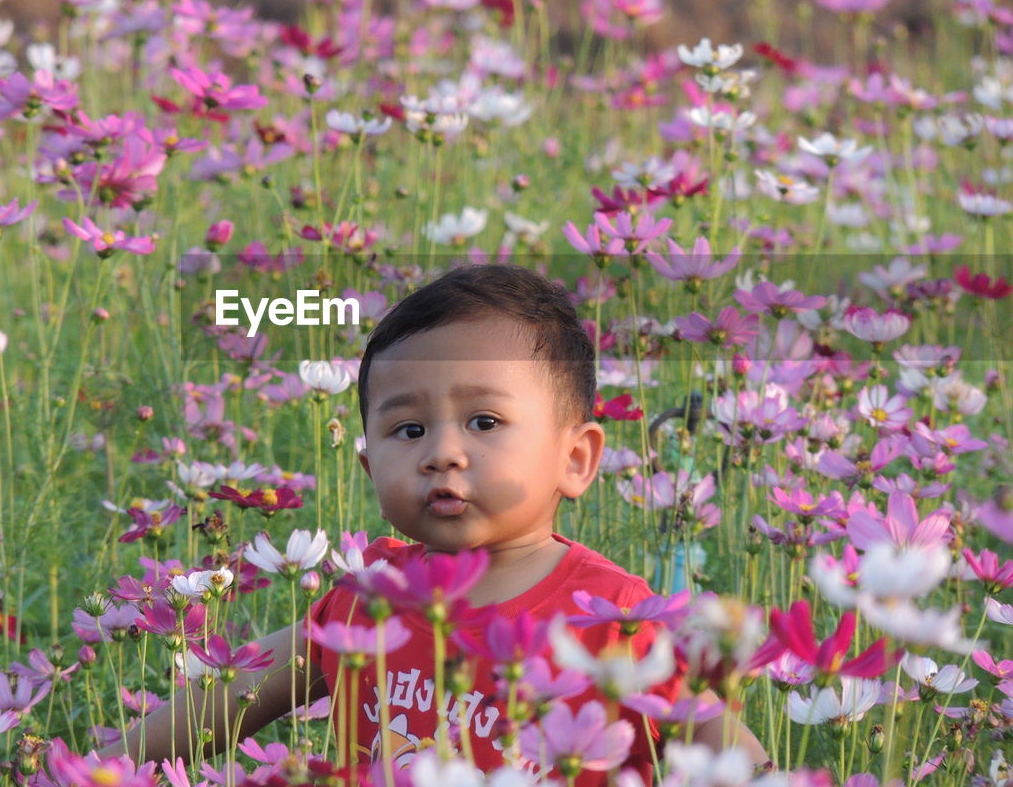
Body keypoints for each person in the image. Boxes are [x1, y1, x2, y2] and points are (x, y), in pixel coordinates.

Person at [110, 264, 767, 781]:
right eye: (409, 428)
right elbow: (220, 701)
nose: (442, 452)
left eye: (484, 422)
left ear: (575, 458)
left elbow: (741, 761)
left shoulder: (624, 619)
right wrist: (100, 771)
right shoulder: (364, 601)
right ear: (368, 466)